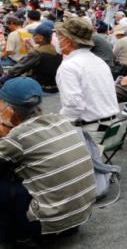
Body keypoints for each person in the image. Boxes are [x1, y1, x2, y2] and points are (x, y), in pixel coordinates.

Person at [0, 78, 96, 245]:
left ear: (11, 109)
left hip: (49, 223)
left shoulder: (19, 136)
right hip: (81, 212)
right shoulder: (61, 120)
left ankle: (15, 234)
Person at [55, 17, 120, 137]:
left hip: (91, 130)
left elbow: (73, 105)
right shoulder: (98, 61)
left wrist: (58, 125)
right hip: (112, 127)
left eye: (59, 38)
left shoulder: (69, 66)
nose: (57, 41)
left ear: (68, 41)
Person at [0, 24, 62, 93]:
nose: (32, 36)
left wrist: (3, 79)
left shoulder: (37, 52)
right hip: (55, 86)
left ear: (40, 38)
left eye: (34, 34)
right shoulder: (54, 48)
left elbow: (17, 69)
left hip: (40, 87)